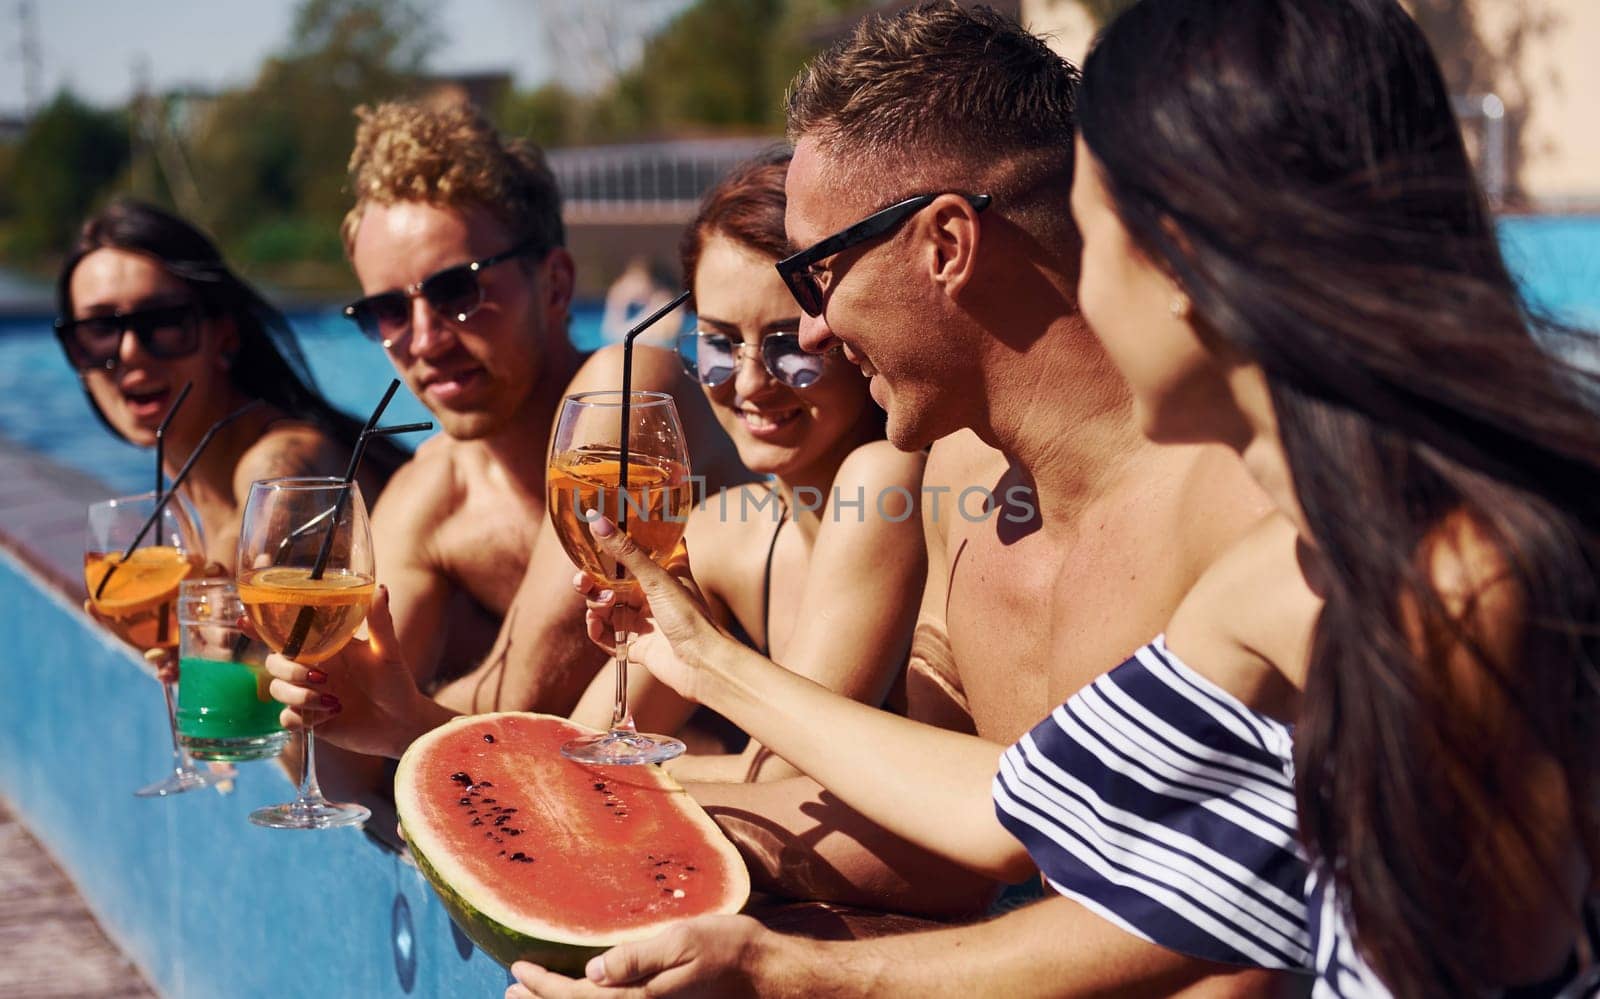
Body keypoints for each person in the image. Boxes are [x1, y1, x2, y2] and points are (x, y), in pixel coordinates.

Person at [523, 1, 1600, 997]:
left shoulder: (1452, 584)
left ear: (1181, 258)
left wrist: (788, 967)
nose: (1076, 281)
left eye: (1092, 231)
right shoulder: (1276, 586)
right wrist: (705, 679)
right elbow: (1026, 813)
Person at [510, 3, 1287, 996]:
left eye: (817, 271)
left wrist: (794, 973)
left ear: (948, 244)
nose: (816, 330)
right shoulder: (954, 483)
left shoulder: (1247, 502)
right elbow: (970, 821)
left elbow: (1220, 924)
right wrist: (613, 836)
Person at [257, 100, 747, 767]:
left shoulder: (626, 395)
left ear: (555, 283)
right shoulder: (429, 496)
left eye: (458, 290)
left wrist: (402, 709)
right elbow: (341, 763)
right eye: (388, 309)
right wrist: (303, 692)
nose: (425, 339)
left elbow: (529, 704)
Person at [566, 148, 926, 769]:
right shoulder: (726, 533)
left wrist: (609, 770)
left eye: (790, 342)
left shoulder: (891, 483)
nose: (751, 382)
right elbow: (587, 742)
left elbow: (780, 778)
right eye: (720, 341)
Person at [54, 198, 399, 573]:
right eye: (100, 329)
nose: (131, 351)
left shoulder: (286, 450)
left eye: (164, 321)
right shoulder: (193, 485)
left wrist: (220, 577)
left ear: (225, 336)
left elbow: (277, 486)